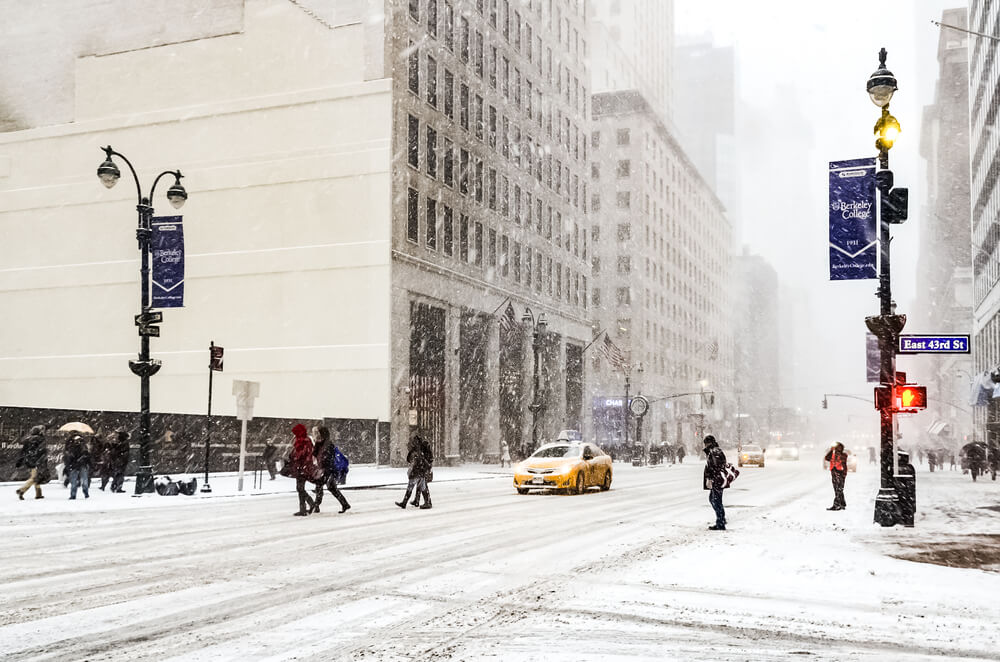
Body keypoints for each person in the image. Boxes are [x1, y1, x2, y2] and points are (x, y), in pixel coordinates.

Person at [311, 426, 350, 514]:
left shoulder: (329, 444)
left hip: (328, 469)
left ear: (323, 434)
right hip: (323, 468)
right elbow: (315, 454)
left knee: (320, 486)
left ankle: (316, 506)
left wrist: (324, 467)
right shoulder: (319, 444)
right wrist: (316, 444)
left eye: (318, 433)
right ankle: (345, 504)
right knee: (330, 488)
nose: (316, 435)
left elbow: (328, 458)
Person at [397, 435, 432, 509]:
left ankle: (407, 502)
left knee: (414, 487)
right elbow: (421, 461)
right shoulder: (419, 450)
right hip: (420, 471)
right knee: (422, 487)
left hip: (417, 472)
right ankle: (423, 502)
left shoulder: (416, 451)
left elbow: (411, 460)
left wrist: (411, 471)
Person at [289, 424, 317, 516]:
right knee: (300, 488)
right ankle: (305, 507)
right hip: (299, 467)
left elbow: (306, 454)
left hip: (303, 467)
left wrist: (301, 463)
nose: (294, 434)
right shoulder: (299, 440)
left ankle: (306, 507)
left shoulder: (306, 441)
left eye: (296, 433)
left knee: (300, 488)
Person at [15, 425, 49, 500]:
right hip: (38, 462)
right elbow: (43, 452)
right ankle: (21, 490)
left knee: (36, 476)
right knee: (35, 478)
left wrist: (19, 461)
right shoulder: (41, 439)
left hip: (29, 462)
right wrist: (44, 461)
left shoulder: (28, 440)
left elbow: (23, 452)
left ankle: (39, 494)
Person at [702, 435, 727, 531]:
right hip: (717, 479)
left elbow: (716, 466)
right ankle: (721, 520)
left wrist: (711, 476)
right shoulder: (714, 451)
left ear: (710, 443)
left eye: (707, 443)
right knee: (714, 499)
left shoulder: (714, 451)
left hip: (717, 479)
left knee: (716, 500)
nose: (705, 445)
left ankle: (720, 522)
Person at [65, 435, 92, 500]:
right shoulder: (72, 447)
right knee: (76, 481)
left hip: (80, 466)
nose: (78, 442)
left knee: (81, 481)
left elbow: (88, 457)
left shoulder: (83, 448)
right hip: (76, 466)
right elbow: (69, 457)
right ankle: (77, 495)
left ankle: (84, 494)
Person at [824, 442, 849, 511]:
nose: (838, 448)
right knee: (837, 489)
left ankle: (836, 505)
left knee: (839, 489)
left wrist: (844, 474)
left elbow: (842, 459)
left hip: (841, 472)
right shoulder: (832, 453)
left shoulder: (844, 455)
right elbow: (827, 458)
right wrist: (831, 450)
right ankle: (842, 504)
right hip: (834, 472)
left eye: (839, 447)